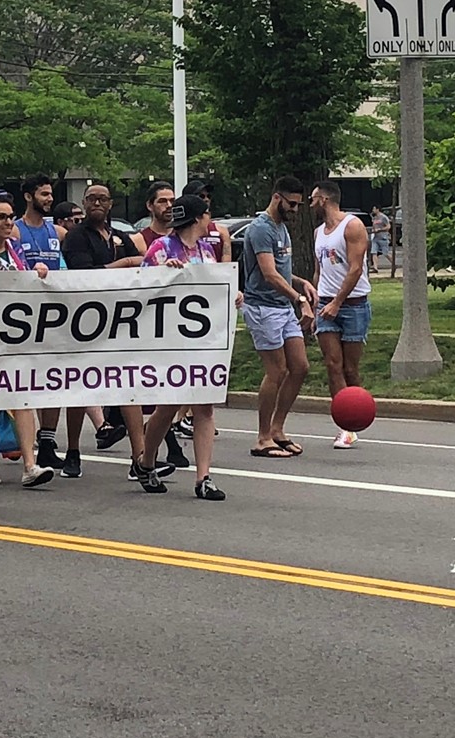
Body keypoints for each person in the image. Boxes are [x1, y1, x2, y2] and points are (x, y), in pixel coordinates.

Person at [137, 194, 235, 499]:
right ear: (196, 218)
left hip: (204, 342)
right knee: (168, 405)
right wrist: (165, 271)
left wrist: (231, 295)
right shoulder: (161, 248)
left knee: (204, 405)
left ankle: (203, 477)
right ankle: (146, 461)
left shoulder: (207, 251)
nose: (210, 221)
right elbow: (139, 286)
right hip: (169, 341)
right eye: (206, 215)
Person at [54, 182, 152, 480]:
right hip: (84, 320)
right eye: (92, 199)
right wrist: (123, 262)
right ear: (84, 203)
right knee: (79, 386)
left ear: (111, 204)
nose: (97, 203)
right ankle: (72, 451)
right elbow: (85, 274)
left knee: (128, 386)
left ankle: (140, 458)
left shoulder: (121, 236)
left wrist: (124, 263)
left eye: (103, 199)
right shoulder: (75, 237)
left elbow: (143, 267)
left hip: (120, 320)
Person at [0, 192, 55, 488]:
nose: (7, 222)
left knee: (23, 396)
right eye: (1, 217)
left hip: (17, 334)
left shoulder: (15, 250)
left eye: (10, 216)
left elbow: (26, 278)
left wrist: (37, 271)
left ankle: (30, 465)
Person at [241, 176, 320, 459]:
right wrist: (299, 300)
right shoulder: (261, 229)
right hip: (262, 307)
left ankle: (277, 429)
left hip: (282, 306)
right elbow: (269, 274)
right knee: (276, 371)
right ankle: (262, 438)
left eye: (299, 205)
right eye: (292, 204)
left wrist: (301, 283)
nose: (296, 210)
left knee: (299, 367)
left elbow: (282, 271)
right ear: (277, 198)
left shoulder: (281, 227)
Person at [311, 180, 373, 450]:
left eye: (313, 199)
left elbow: (356, 268)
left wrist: (338, 302)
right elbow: (320, 269)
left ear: (324, 199)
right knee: (332, 365)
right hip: (325, 304)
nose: (310, 203)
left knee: (350, 367)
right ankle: (344, 426)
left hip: (353, 305)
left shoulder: (352, 226)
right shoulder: (318, 233)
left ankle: (357, 414)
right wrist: (314, 301)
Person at [14, 175, 67, 468]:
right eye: (44, 194)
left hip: (53, 312)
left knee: (54, 379)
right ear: (28, 196)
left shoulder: (56, 232)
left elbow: (65, 269)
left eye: (50, 194)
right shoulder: (16, 231)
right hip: (25, 314)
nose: (49, 199)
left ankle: (47, 440)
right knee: (27, 379)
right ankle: (23, 441)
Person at [181, 180, 238, 263]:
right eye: (201, 196)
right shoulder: (180, 230)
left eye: (208, 196)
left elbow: (226, 266)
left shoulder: (222, 231)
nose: (206, 199)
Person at [369, 206, 392, 274]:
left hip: (383, 237)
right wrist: (373, 230)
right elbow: (374, 226)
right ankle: (375, 268)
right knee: (374, 252)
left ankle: (393, 264)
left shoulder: (383, 217)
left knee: (386, 253)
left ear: (378, 209)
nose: (373, 210)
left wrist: (380, 230)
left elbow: (388, 227)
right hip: (376, 238)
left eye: (374, 209)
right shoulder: (374, 218)